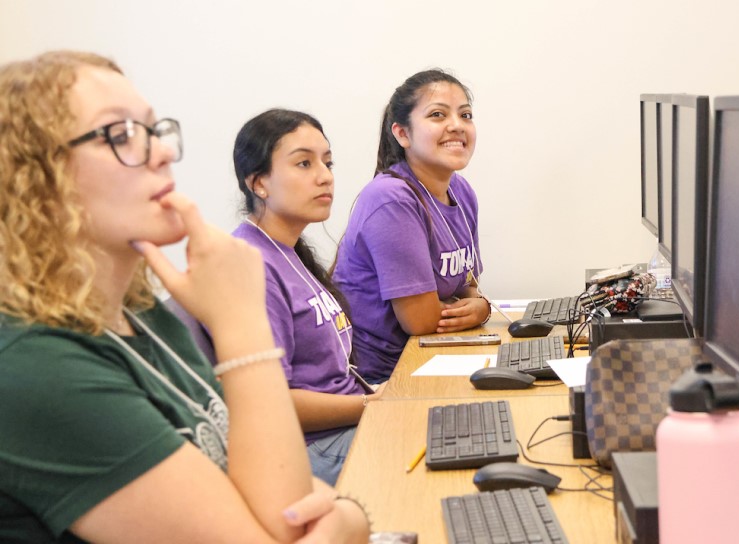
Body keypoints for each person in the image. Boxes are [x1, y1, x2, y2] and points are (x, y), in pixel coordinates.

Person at [0, 51, 369, 543]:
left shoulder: (146, 316)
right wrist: (241, 322)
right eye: (120, 134)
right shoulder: (37, 366)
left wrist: (344, 519)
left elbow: (283, 515)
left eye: (153, 131)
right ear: (36, 180)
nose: (162, 153)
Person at [232, 109, 384, 486]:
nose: (325, 176)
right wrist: (376, 406)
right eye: (304, 163)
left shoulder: (289, 251)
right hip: (310, 449)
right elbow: (272, 405)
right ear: (259, 183)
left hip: (345, 423)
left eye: (328, 162)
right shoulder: (251, 264)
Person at [333, 69, 491, 384]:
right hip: (381, 380)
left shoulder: (461, 192)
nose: (456, 125)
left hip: (431, 357)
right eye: (437, 115)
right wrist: (473, 306)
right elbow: (421, 320)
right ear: (402, 134)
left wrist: (482, 307)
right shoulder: (391, 199)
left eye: (466, 114)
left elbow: (468, 286)